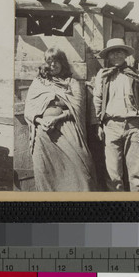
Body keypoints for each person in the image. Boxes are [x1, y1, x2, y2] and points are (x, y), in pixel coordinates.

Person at [24, 47, 96, 191]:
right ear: (46, 63)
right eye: (50, 61)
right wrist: (40, 121)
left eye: (57, 61)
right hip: (44, 134)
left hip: (68, 130)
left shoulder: (72, 83)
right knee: (46, 174)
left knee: (82, 170)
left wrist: (58, 118)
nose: (53, 65)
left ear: (63, 63)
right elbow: (29, 110)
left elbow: (77, 109)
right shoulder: (38, 83)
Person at [93, 38, 139, 191]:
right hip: (111, 127)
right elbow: (97, 100)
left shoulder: (136, 74)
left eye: (119, 52)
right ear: (108, 56)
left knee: (137, 175)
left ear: (125, 54)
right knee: (113, 176)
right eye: (112, 53)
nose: (116, 56)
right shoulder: (103, 75)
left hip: (133, 127)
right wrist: (99, 124)